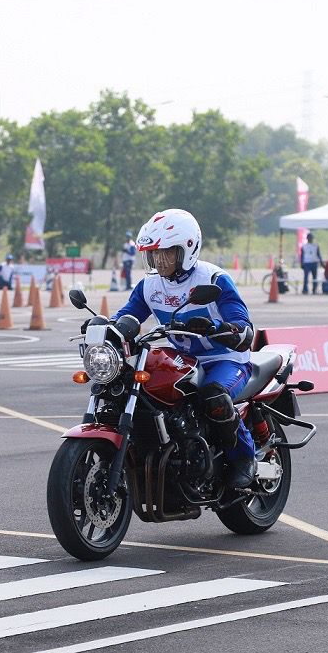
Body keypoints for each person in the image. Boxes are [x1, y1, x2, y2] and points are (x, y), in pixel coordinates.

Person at [108, 209, 257, 489]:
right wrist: (107, 327)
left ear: (187, 248)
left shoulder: (213, 279)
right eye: (153, 253)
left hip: (225, 359)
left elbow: (242, 325)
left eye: (166, 252)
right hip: (186, 360)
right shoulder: (149, 286)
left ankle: (244, 459)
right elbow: (128, 315)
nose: (158, 259)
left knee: (214, 396)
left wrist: (220, 330)